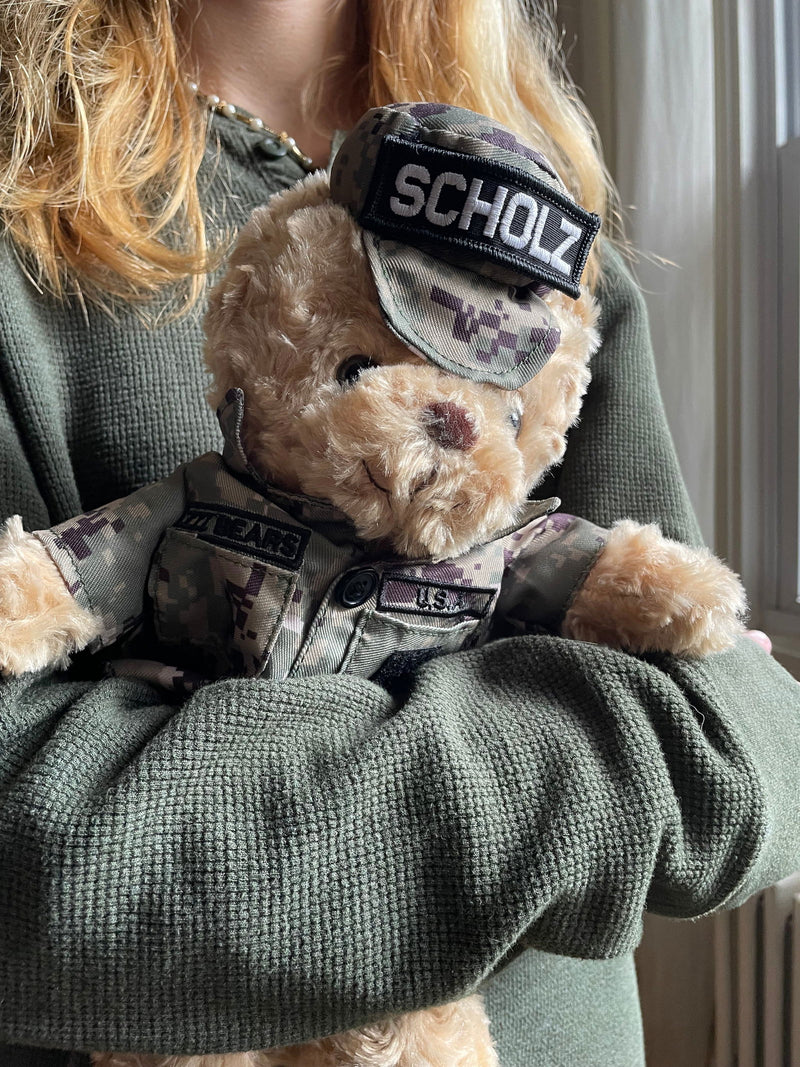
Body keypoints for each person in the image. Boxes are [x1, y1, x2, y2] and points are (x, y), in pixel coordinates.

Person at [0, 2, 797, 1066]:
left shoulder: (530, 213)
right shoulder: (22, 195)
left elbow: (735, 729)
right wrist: (587, 785)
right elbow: (27, 864)